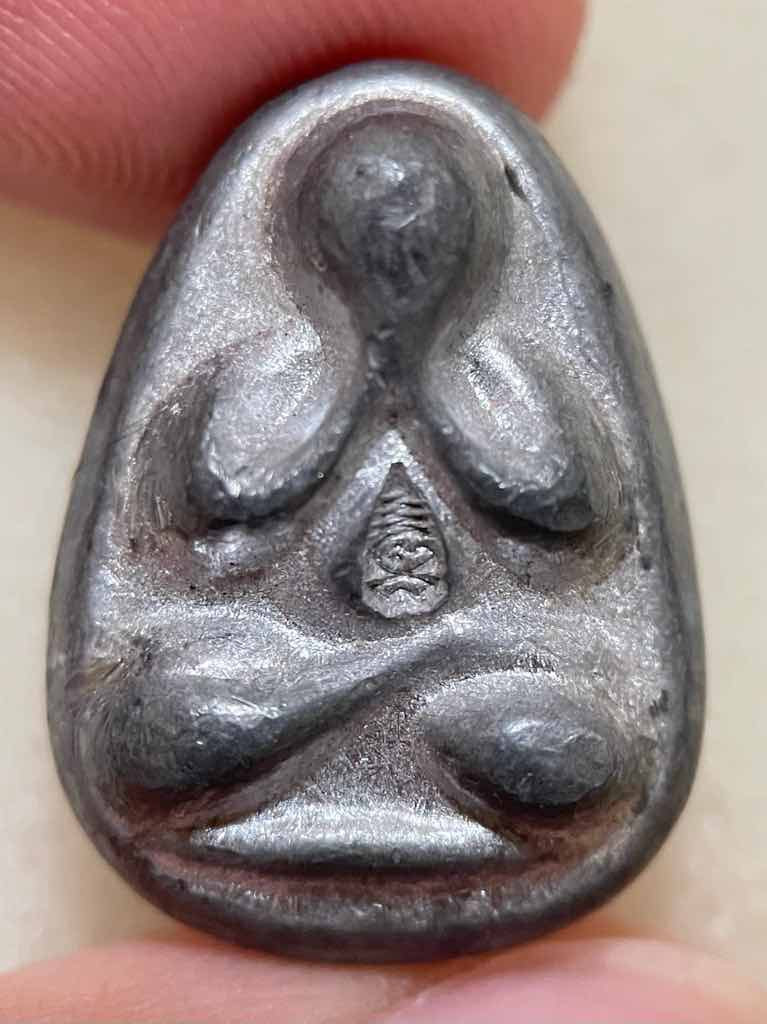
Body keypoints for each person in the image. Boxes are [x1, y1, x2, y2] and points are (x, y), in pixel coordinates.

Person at [0, 2, 763, 1020]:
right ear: (314, 243)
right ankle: (382, 684)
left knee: (590, 757)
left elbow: (570, 534)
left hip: (468, 687)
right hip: (292, 670)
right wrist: (351, 387)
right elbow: (208, 533)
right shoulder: (257, 376)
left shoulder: (514, 384)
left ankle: (395, 698)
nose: (396, 267)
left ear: (470, 247)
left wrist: (433, 394)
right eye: (367, 240)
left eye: (423, 242)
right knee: (145, 736)